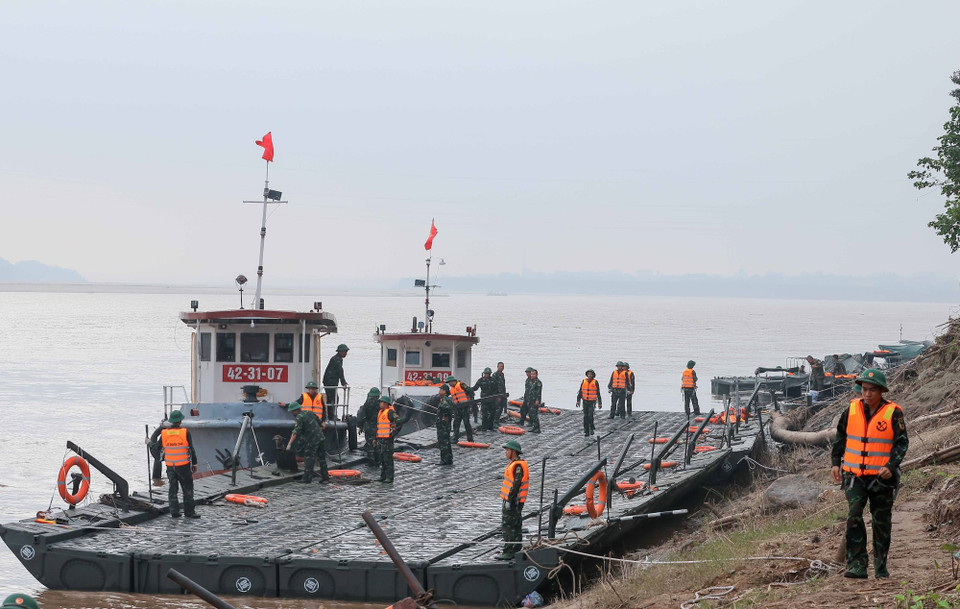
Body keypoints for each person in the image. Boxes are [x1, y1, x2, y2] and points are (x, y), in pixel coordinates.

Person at [831, 369, 908, 579]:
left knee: (881, 521)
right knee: (854, 517)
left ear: (881, 391)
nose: (867, 394)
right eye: (864, 389)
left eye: (872, 390)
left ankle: (881, 567)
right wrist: (835, 462)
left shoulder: (894, 412)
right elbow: (840, 437)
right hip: (854, 475)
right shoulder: (851, 410)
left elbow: (902, 443)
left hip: (881, 479)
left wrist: (891, 466)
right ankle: (858, 565)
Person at [161, 410, 199, 518]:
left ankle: (174, 512)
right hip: (183, 466)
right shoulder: (185, 432)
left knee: (173, 489)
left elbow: (156, 447)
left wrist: (149, 442)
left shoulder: (164, 433)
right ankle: (189, 512)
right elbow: (191, 449)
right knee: (187, 489)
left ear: (171, 421)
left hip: (170, 467)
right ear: (180, 421)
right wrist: (194, 464)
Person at [496, 439, 529, 560]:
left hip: (513, 501)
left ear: (514, 452)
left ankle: (509, 551)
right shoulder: (515, 464)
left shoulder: (518, 466)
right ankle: (515, 548)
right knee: (515, 525)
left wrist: (509, 500)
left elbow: (516, 485)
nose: (506, 453)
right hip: (514, 500)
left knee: (509, 526)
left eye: (508, 450)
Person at [285, 401, 329, 483]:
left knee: (309, 458)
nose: (291, 413)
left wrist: (289, 444)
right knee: (322, 458)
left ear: (295, 411)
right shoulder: (310, 412)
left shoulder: (299, 417)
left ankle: (307, 479)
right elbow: (322, 425)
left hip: (312, 440)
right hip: (321, 438)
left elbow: (295, 432)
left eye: (292, 411)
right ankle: (325, 477)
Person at [375, 395, 400, 483]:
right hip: (381, 439)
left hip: (388, 440)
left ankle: (389, 477)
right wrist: (375, 438)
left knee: (388, 459)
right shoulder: (381, 412)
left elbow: (399, 421)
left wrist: (394, 432)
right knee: (382, 458)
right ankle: (383, 476)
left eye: (381, 402)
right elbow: (378, 427)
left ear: (385, 403)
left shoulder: (390, 412)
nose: (380, 404)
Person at [322, 344, 349, 419]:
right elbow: (340, 371)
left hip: (330, 381)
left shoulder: (338, 359)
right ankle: (332, 416)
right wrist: (344, 383)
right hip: (329, 382)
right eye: (345, 351)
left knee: (332, 399)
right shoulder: (336, 359)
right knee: (333, 399)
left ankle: (332, 415)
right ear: (340, 352)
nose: (346, 353)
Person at [355, 387, 382, 465]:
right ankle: (378, 461)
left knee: (370, 444)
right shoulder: (380, 404)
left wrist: (360, 426)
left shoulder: (367, 403)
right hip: (379, 427)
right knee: (377, 444)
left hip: (369, 426)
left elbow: (363, 416)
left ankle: (371, 462)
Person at [448, 376, 475, 442]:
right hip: (457, 408)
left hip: (465, 407)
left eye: (449, 382)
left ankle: (470, 439)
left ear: (453, 381)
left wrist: (470, 401)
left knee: (466, 423)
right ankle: (455, 438)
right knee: (456, 423)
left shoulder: (461, 384)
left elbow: (471, 391)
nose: (449, 384)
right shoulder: (452, 389)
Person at [576, 369, 602, 436]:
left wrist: (600, 403)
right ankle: (586, 430)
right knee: (585, 416)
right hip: (585, 401)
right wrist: (578, 401)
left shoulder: (595, 382)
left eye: (591, 374)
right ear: (587, 375)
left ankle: (591, 427)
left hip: (592, 402)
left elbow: (598, 393)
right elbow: (580, 391)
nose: (590, 375)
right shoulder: (584, 381)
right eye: (588, 374)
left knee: (590, 415)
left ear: (593, 375)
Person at [436, 384, 454, 465]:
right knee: (447, 441)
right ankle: (449, 458)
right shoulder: (448, 399)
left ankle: (444, 459)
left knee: (443, 442)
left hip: (443, 424)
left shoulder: (444, 400)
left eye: (441, 390)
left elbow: (447, 408)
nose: (439, 391)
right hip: (446, 424)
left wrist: (445, 416)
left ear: (444, 391)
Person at [519, 368, 542, 433]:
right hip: (530, 400)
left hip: (535, 401)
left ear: (536, 375)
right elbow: (528, 392)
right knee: (531, 414)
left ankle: (537, 427)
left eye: (533, 374)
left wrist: (537, 400)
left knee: (534, 414)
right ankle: (534, 427)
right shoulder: (530, 381)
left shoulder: (538, 382)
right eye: (531, 374)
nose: (532, 375)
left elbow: (538, 392)